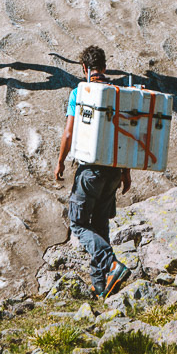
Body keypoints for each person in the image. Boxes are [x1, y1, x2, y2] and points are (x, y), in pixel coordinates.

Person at [54, 44, 132, 299]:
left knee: (78, 224)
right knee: (100, 224)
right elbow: (125, 136)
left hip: (90, 171)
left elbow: (68, 133)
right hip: (114, 170)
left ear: (84, 68)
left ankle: (111, 264)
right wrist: (126, 172)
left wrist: (60, 161)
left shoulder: (80, 93)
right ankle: (101, 285)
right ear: (105, 68)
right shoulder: (119, 94)